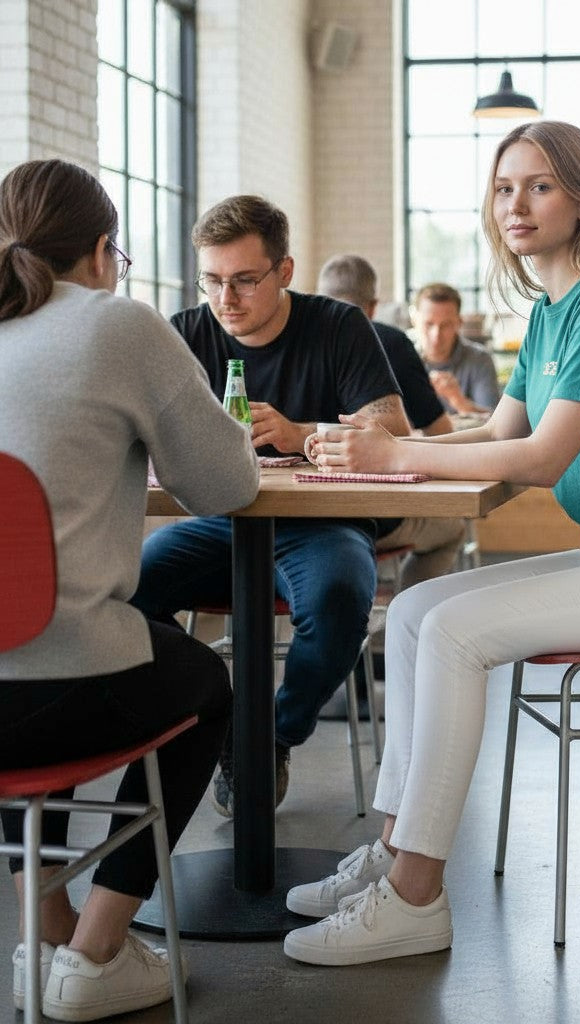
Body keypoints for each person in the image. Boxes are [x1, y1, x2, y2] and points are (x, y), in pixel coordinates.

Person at [281, 120, 580, 967]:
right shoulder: (554, 308)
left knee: (452, 631)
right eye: (503, 188)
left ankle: (417, 899)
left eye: (538, 186)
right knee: (417, 608)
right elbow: (496, 427)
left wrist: (397, 454)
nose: (516, 205)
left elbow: (540, 458)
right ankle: (392, 851)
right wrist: (368, 449)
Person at [0, 160, 258, 1020]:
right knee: (204, 682)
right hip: (61, 682)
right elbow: (226, 487)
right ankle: (97, 949)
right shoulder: (120, 325)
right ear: (105, 250)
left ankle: (46, 933)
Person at [131, 196, 410, 817]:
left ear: (284, 272)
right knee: (128, 591)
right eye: (212, 281)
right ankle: (218, 707)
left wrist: (300, 432)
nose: (225, 299)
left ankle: (270, 734)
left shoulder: (337, 325)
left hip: (321, 523)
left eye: (243, 281)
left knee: (339, 599)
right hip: (219, 521)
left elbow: (392, 427)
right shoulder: (185, 333)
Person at [317, 254, 467, 590]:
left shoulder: (297, 340)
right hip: (373, 515)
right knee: (453, 527)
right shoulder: (391, 342)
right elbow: (438, 431)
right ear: (372, 307)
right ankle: (403, 620)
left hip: (291, 517)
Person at [413, 282, 501, 415]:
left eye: (446, 325)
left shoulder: (480, 359)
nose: (436, 335)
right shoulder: (399, 358)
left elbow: (496, 422)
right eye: (429, 324)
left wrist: (459, 401)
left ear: (459, 323)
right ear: (414, 320)